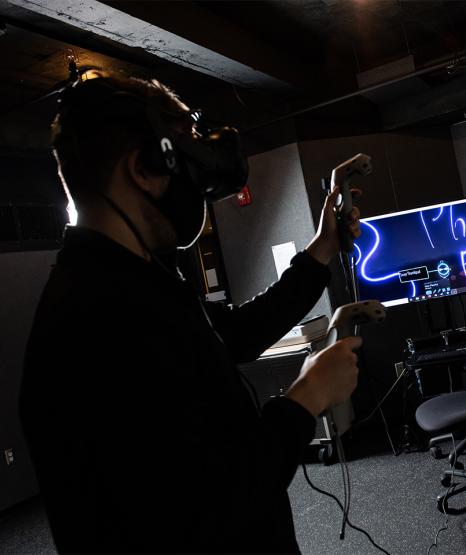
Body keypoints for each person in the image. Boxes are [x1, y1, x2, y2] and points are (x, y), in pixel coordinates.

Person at [19, 71, 363, 553]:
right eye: (186, 164)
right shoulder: (95, 323)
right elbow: (205, 509)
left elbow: (237, 332)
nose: (198, 191)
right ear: (143, 168)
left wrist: (321, 250)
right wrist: (305, 399)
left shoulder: (138, 282)